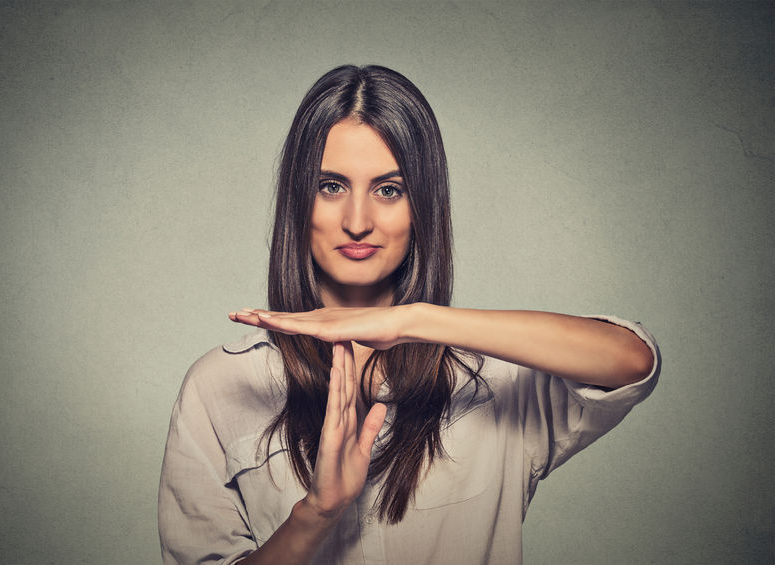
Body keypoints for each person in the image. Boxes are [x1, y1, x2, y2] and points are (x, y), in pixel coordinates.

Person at [158, 65, 660, 565]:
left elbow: (632, 360)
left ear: (422, 206)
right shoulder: (220, 385)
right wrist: (315, 515)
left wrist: (412, 321)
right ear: (297, 200)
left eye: (388, 190)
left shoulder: (496, 376)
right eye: (330, 186)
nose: (358, 222)